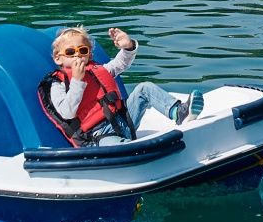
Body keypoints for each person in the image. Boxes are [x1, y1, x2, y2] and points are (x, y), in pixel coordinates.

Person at [39, 25, 187, 145]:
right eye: (70, 52)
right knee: (114, 145)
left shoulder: (98, 70)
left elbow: (121, 63)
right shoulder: (57, 84)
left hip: (124, 121)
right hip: (99, 135)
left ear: (89, 54)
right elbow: (67, 112)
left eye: (82, 50)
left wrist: (128, 46)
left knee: (144, 88)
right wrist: (77, 80)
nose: (77, 55)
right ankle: (128, 149)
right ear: (58, 58)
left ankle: (177, 111)